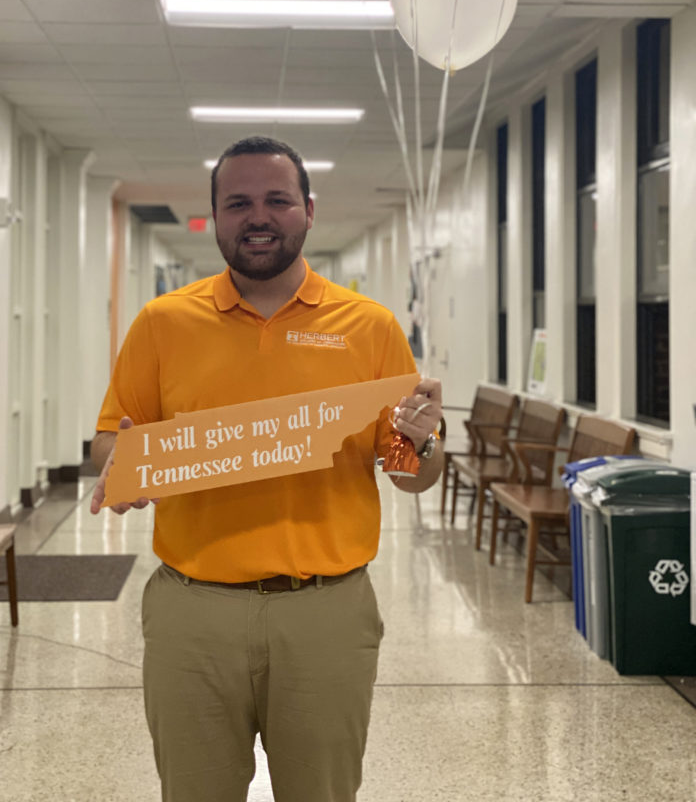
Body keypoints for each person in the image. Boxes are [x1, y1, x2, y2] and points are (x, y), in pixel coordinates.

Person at [90, 136, 444, 802]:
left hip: (325, 613)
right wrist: (123, 466)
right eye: (239, 202)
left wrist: (423, 443)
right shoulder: (163, 323)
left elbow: (409, 471)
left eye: (277, 200)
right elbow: (110, 441)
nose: (259, 216)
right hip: (191, 613)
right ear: (216, 217)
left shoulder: (368, 327)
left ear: (308, 210)